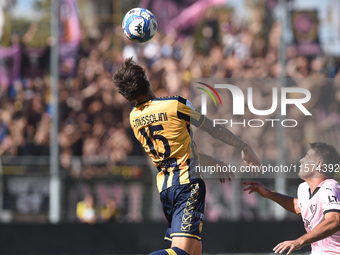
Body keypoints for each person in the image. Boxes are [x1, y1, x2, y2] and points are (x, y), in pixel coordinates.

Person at [113, 57, 261, 255]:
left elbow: (178, 153)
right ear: (147, 80)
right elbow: (213, 129)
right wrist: (244, 146)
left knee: (192, 252)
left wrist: (213, 162)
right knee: (182, 253)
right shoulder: (174, 105)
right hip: (187, 186)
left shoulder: (134, 118)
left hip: (166, 189)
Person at [243, 142, 340, 255]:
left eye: (308, 157)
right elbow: (299, 207)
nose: (301, 160)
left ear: (319, 165)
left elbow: (334, 221)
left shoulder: (329, 187)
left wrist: (299, 241)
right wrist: (268, 193)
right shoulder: (304, 188)